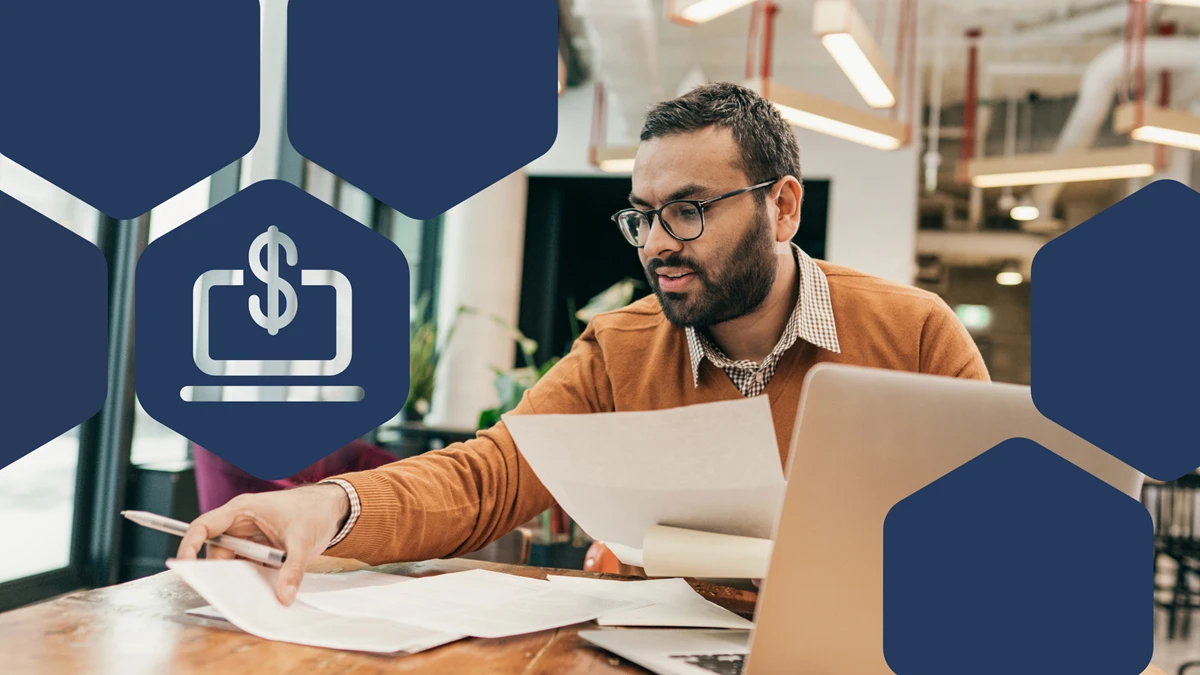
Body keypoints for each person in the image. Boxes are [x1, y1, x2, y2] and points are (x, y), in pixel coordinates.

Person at [177, 82, 988, 604]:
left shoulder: (913, 334)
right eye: (644, 213)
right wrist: (328, 503)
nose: (657, 243)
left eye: (690, 209)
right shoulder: (619, 348)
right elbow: (488, 477)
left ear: (781, 208)